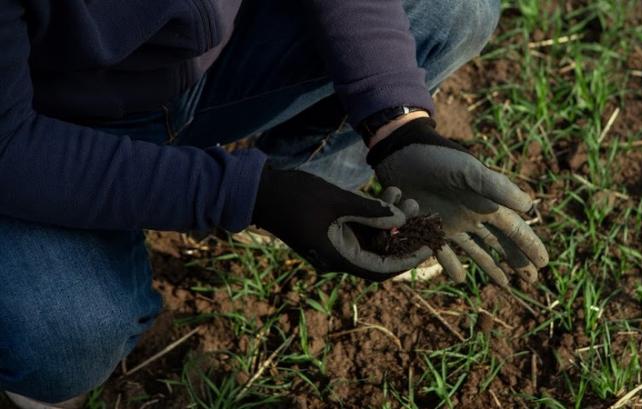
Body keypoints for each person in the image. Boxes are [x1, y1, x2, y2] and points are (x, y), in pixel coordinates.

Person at [0, 0, 549, 407]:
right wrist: (245, 193)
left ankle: (305, 196)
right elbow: (9, 147)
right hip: (40, 127)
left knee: (452, 8)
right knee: (67, 333)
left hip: (188, 71)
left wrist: (397, 122)